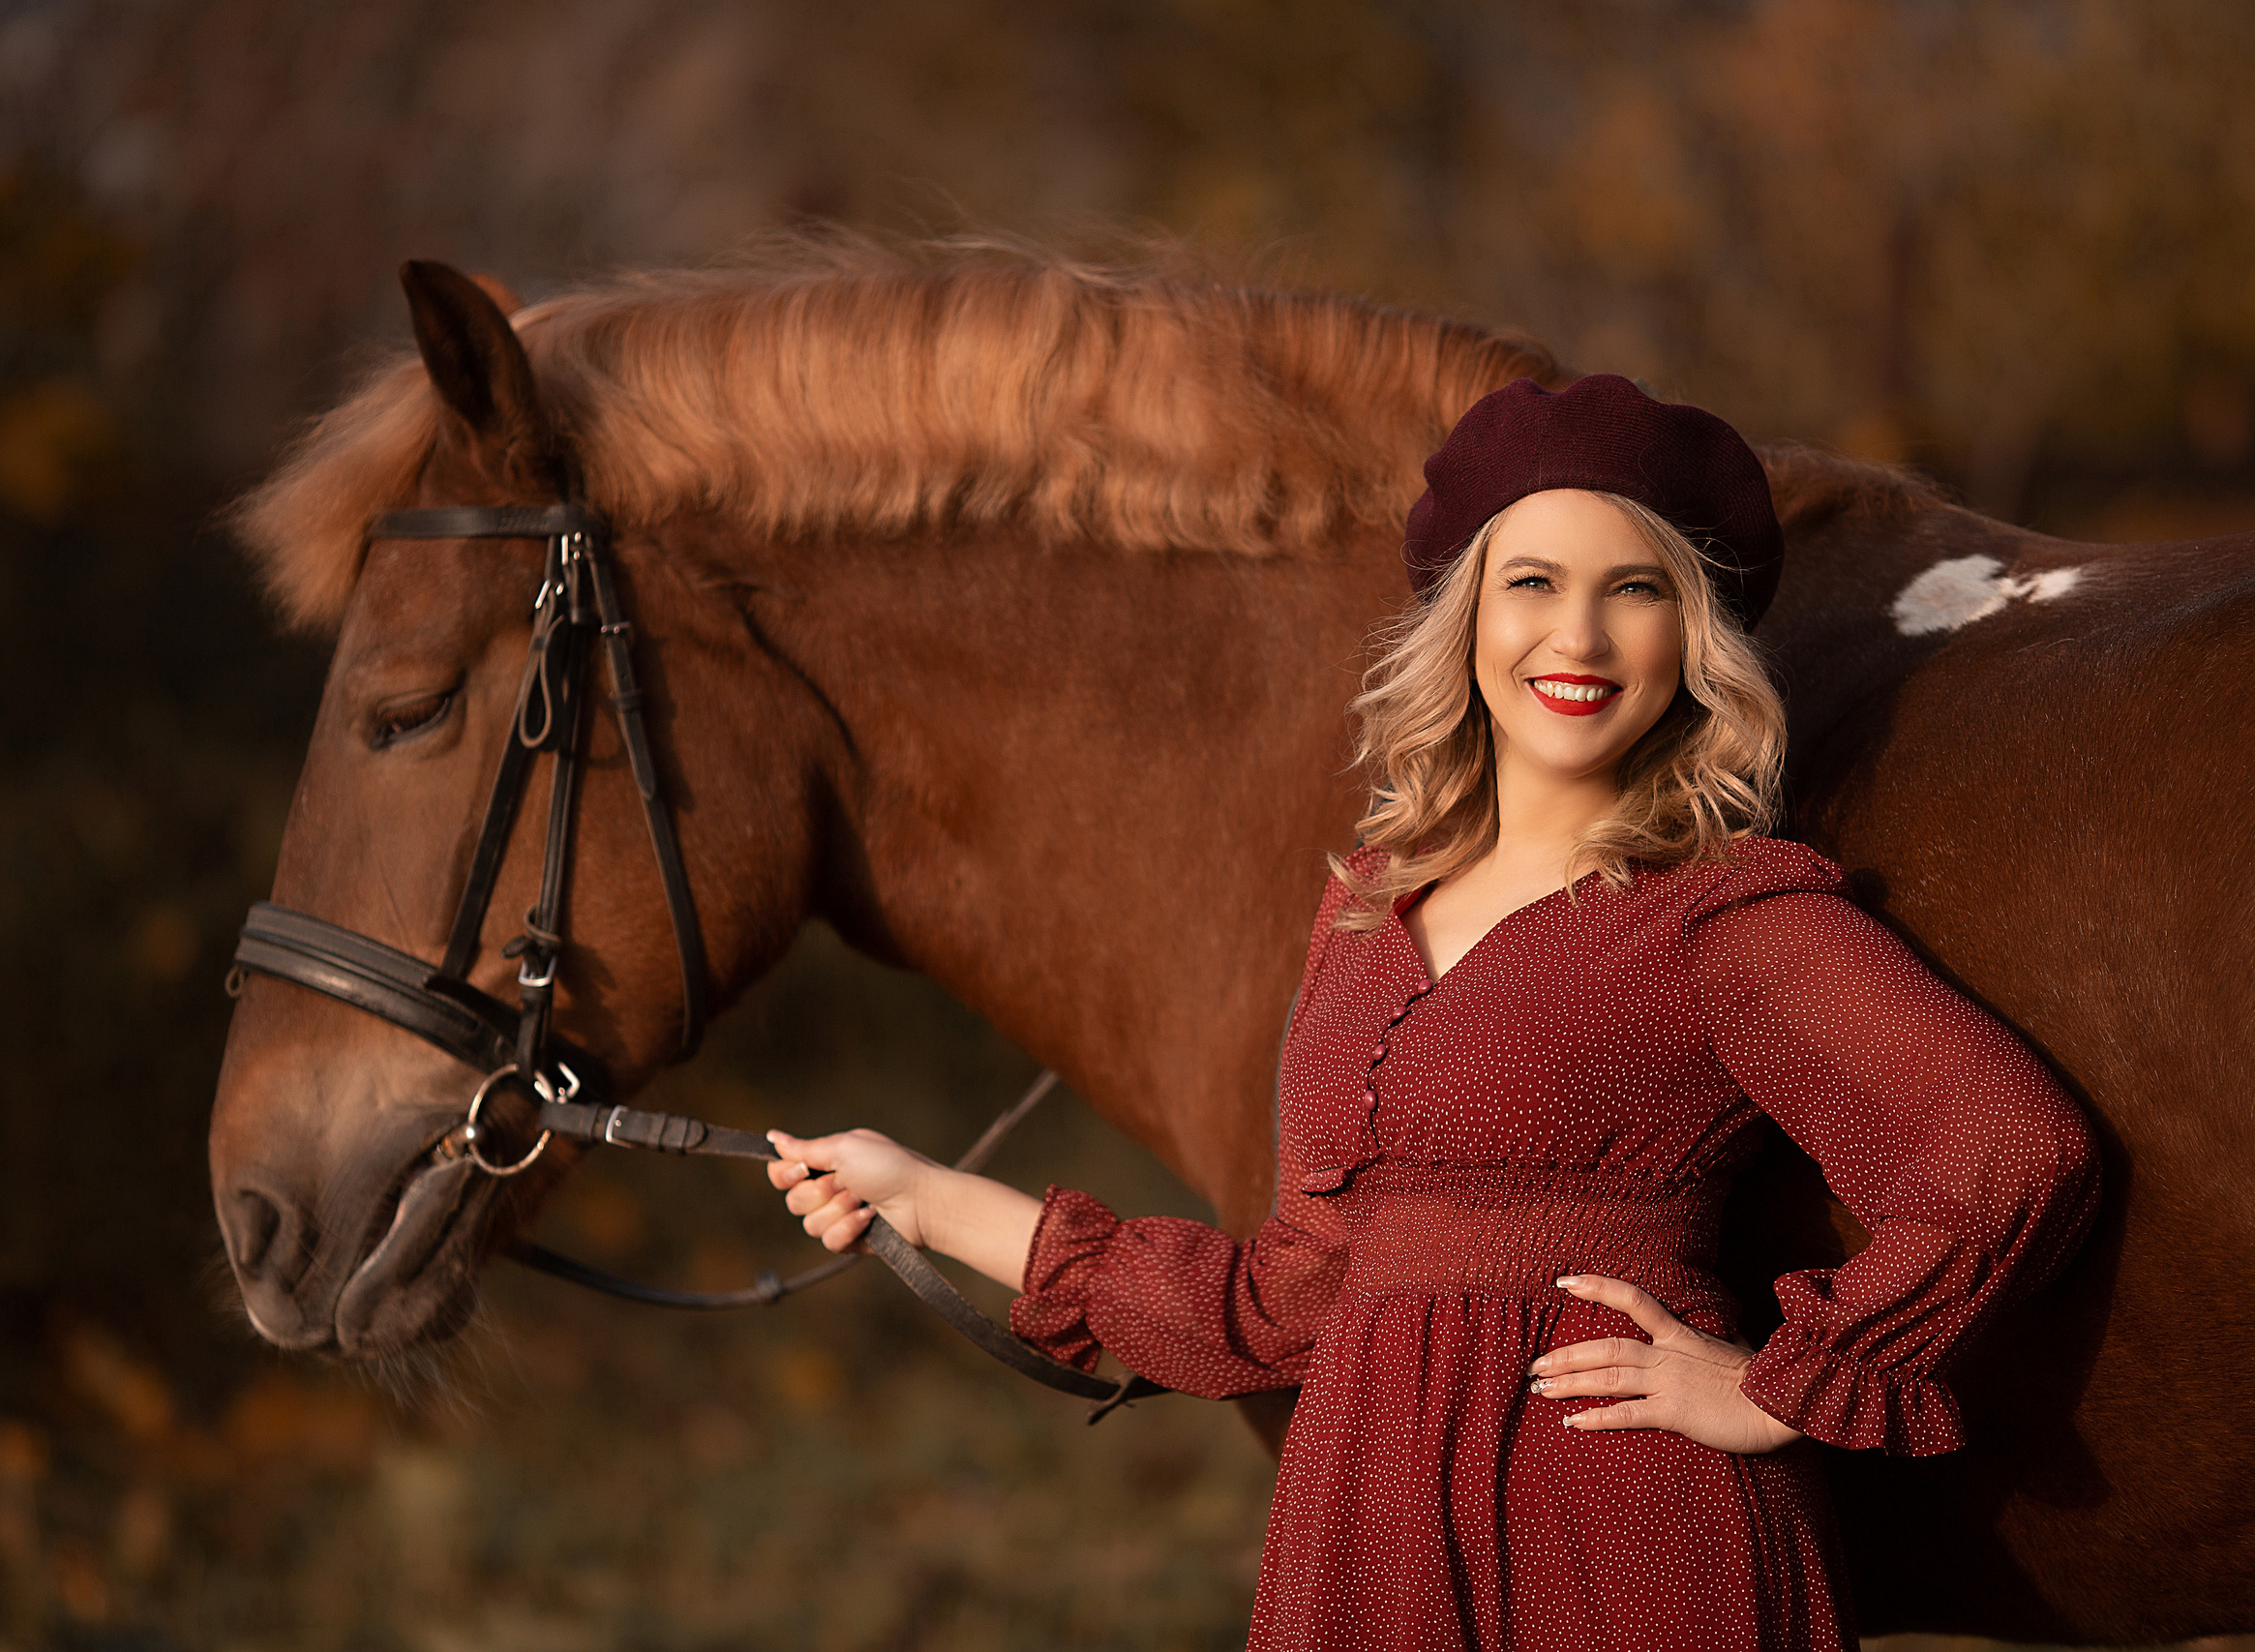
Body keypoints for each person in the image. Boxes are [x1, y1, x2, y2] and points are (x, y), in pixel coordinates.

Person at [767, 375, 2101, 1651]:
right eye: (1531, 584)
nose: (1575, 638)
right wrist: (921, 1193)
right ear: (1463, 619)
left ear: (1686, 640)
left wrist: (1771, 1388)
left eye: (1632, 592)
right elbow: (1284, 1298)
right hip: (1372, 1538)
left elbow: (2007, 1148)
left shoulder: (1725, 914)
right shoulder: (1364, 912)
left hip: (1629, 1540)